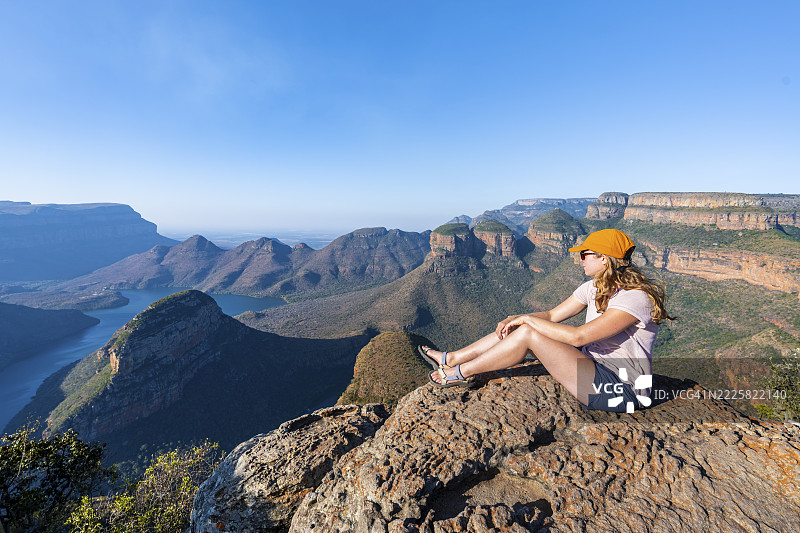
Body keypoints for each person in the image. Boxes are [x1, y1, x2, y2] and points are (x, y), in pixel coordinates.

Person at [420, 228, 674, 412]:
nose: (580, 258)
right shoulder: (594, 287)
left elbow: (579, 336)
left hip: (622, 390)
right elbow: (552, 315)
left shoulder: (635, 298)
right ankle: (452, 358)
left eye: (586, 254)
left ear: (604, 258)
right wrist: (517, 318)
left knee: (527, 332)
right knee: (520, 326)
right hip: (592, 366)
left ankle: (460, 373)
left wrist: (526, 322)